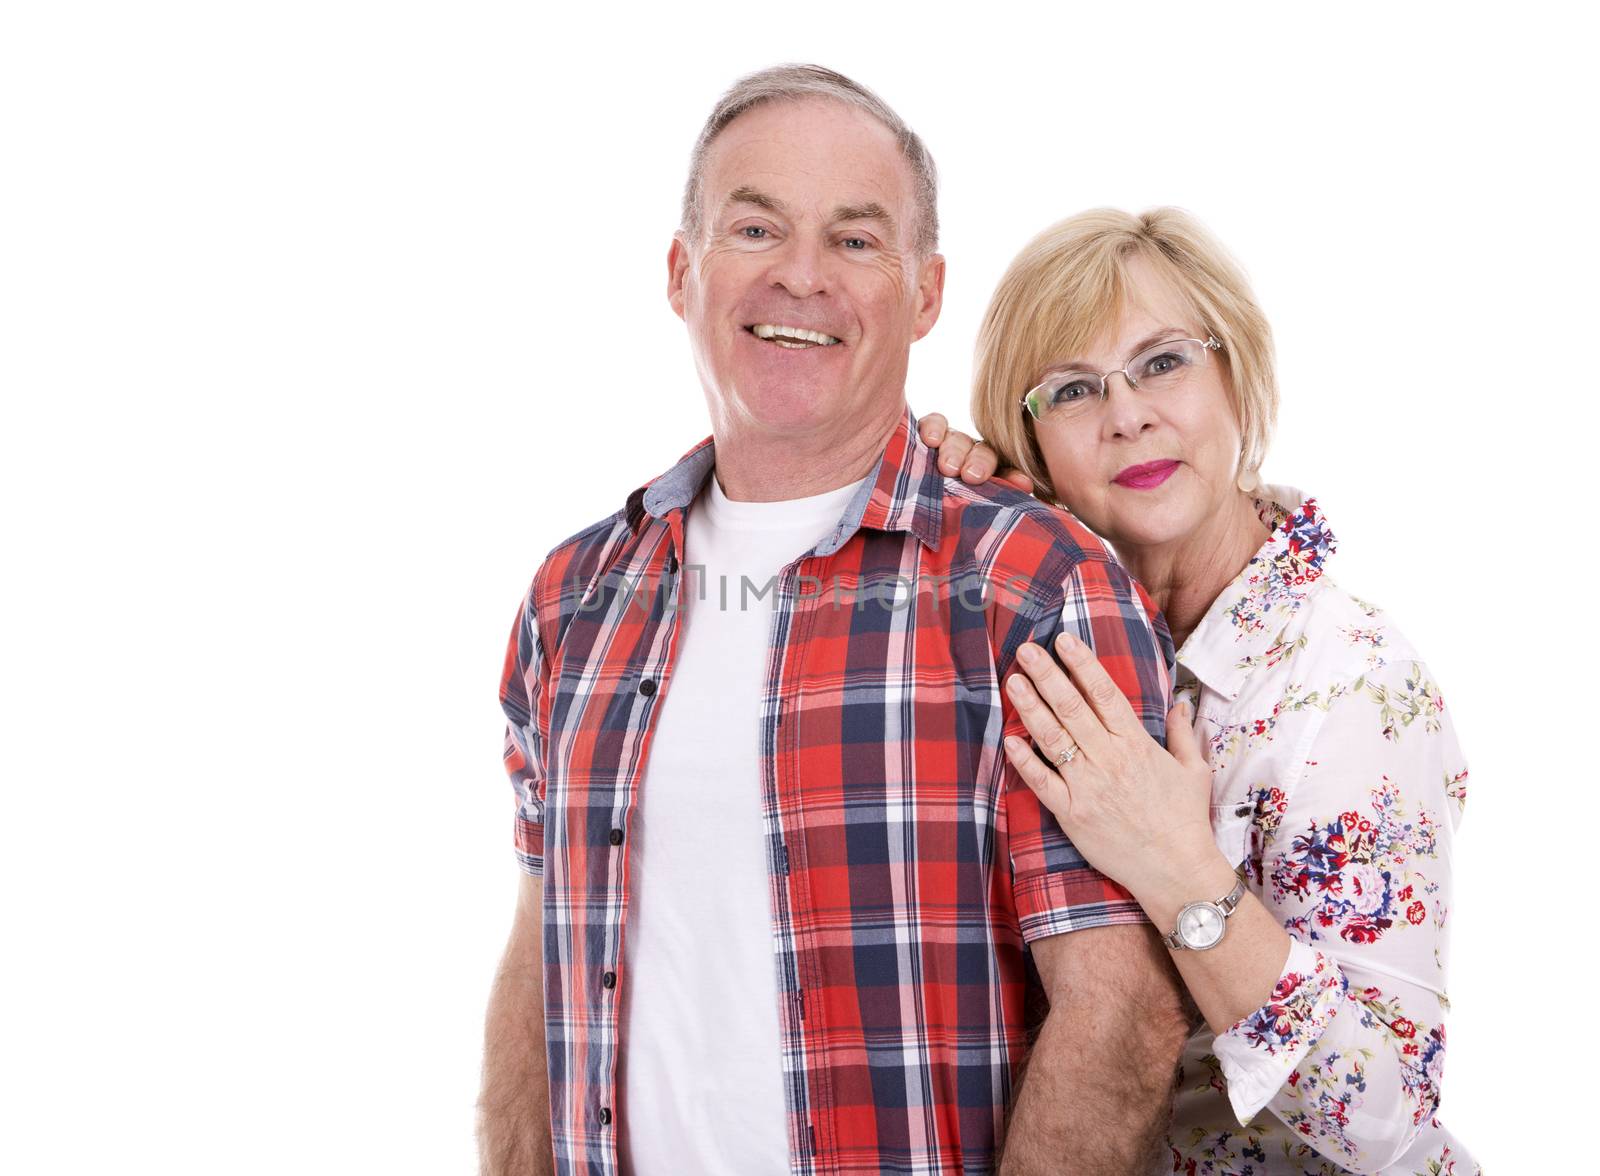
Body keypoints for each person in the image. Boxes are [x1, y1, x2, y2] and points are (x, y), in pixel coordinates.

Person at [477, 67, 1195, 1175]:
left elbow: (1124, 1016)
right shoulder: (574, 599)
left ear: (924, 295)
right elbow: (540, 960)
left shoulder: (1029, 586)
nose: (799, 276)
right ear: (682, 271)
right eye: (755, 226)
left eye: (855, 242)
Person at [919, 207, 1478, 1173]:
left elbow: (1390, 1116)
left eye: (1165, 361)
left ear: (1238, 377)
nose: (1128, 413)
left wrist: (1177, 866)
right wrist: (970, 504)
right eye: (1073, 390)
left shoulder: (1348, 679)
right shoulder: (1036, 634)